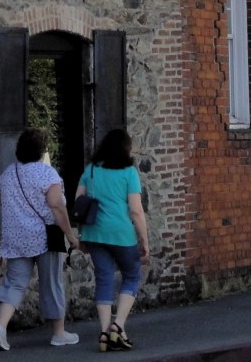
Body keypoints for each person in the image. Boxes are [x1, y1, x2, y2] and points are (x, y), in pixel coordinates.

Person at [0, 128, 80, 351]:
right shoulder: (47, 174)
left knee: (15, 283)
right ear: (41, 151)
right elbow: (57, 206)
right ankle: (58, 333)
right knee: (52, 283)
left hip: (16, 238)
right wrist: (70, 235)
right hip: (45, 237)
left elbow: (3, 194)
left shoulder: (8, 175)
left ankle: (0, 328)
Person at [75, 128, 150, 352]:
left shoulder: (91, 169)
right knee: (132, 275)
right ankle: (118, 326)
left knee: (104, 279)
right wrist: (144, 239)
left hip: (94, 233)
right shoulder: (129, 172)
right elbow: (136, 210)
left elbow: (79, 201)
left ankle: (105, 333)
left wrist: (81, 234)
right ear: (126, 149)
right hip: (120, 233)